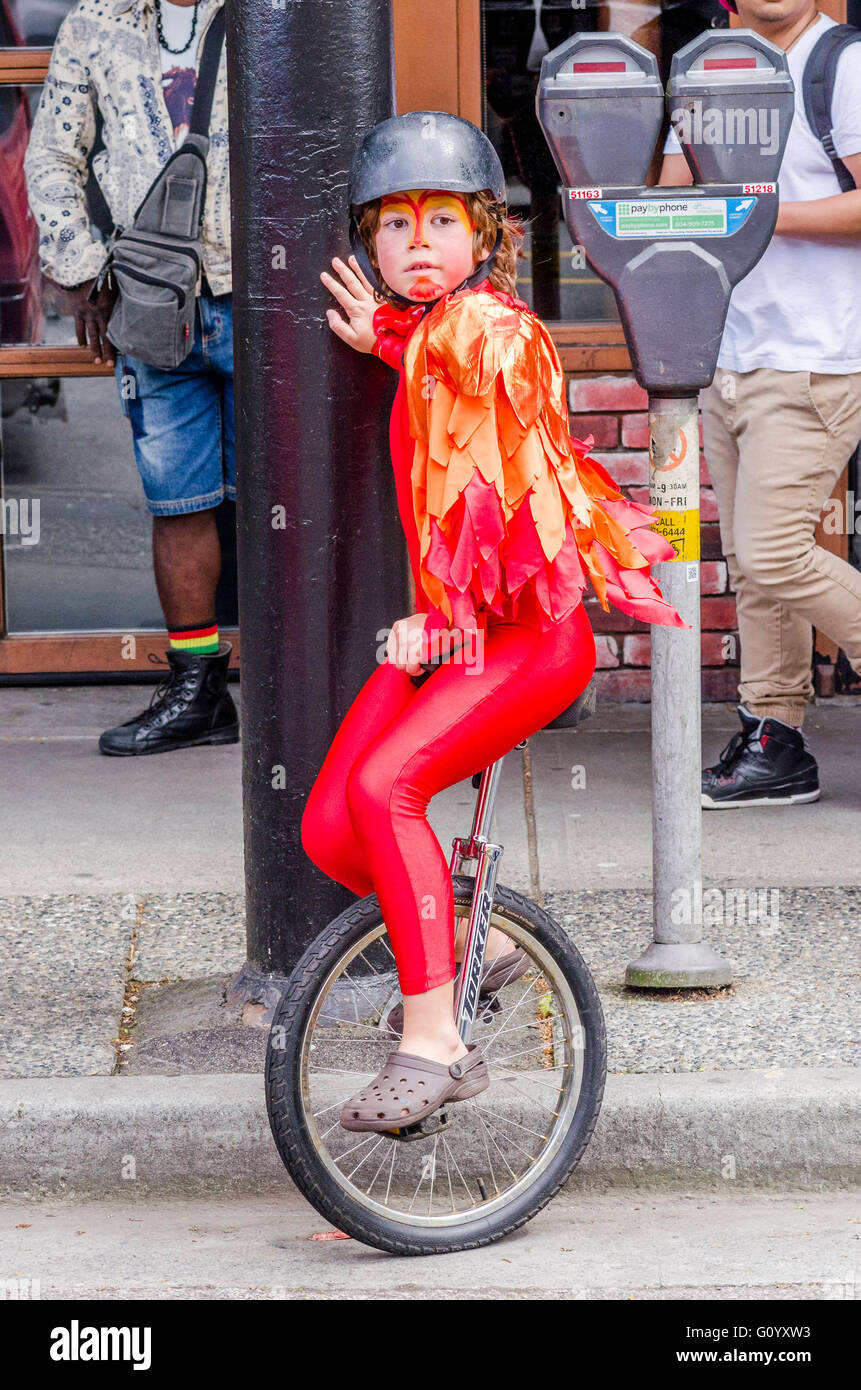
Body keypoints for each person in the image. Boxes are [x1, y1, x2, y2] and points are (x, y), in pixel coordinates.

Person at [299, 112, 684, 1136]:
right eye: (392, 226)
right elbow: (438, 363)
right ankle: (492, 949)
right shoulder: (439, 333)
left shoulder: (493, 330)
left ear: (484, 238)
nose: (415, 241)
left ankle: (436, 1038)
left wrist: (450, 619)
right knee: (332, 825)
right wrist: (385, 332)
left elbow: (488, 399)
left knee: (388, 788)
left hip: (521, 637)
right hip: (457, 632)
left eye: (439, 220)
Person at [24, 0, 238, 757]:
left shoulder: (269, 10)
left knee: (294, 501)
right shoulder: (98, 18)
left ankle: (306, 686)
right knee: (177, 499)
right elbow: (52, 155)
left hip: (265, 292)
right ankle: (198, 689)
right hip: (152, 297)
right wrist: (82, 270)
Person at [660, 0, 861, 808]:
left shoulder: (840, 64)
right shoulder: (708, 66)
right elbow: (674, 196)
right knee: (753, 566)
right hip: (726, 352)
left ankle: (776, 730)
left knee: (775, 551)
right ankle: (774, 737)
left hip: (813, 357)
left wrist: (756, 214)